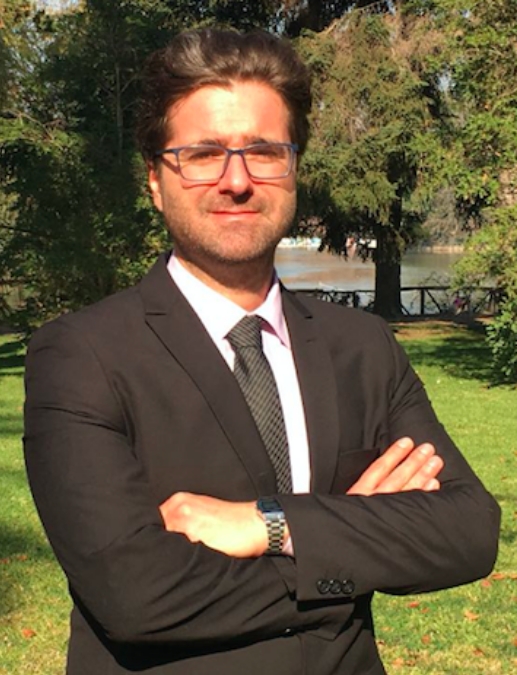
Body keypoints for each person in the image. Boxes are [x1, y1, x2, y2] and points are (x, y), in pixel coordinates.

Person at [24, 28, 500, 675]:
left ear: (293, 167)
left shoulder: (360, 346)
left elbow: (468, 530)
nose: (237, 180)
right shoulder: (81, 355)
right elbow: (134, 594)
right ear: (155, 180)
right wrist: (353, 538)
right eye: (202, 154)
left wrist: (270, 524)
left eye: (264, 152)